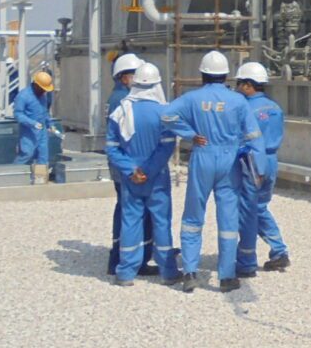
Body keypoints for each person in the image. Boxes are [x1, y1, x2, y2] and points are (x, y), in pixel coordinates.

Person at [161, 50, 261, 292]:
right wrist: (259, 169)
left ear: (202, 74)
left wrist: (189, 134)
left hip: (203, 155)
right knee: (228, 218)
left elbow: (166, 115)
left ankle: (190, 272)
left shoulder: (192, 98)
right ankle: (226, 276)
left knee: (193, 215)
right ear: (226, 75)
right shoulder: (238, 100)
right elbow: (253, 135)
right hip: (229, 160)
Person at [104, 62, 182, 287]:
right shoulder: (164, 113)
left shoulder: (121, 112)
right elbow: (167, 146)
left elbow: (112, 148)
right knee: (161, 221)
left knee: (130, 220)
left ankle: (125, 272)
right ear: (157, 85)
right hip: (156, 177)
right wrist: (148, 170)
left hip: (131, 177)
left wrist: (131, 170)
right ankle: (168, 271)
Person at [233, 61, 290, 273]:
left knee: (248, 209)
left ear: (248, 84)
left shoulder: (245, 108)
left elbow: (239, 137)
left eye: (239, 83)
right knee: (260, 207)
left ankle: (248, 257)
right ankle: (278, 250)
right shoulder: (275, 107)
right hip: (271, 160)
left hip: (252, 161)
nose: (237, 88)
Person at [105, 53, 156, 276]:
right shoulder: (122, 99)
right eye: (135, 75)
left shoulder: (118, 96)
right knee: (132, 212)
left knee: (125, 209)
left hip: (122, 163)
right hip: (126, 164)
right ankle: (128, 260)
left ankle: (120, 258)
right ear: (124, 77)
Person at [14, 72, 59, 176]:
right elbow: (18, 114)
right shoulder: (23, 96)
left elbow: (45, 112)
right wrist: (32, 123)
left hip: (42, 132)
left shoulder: (43, 96)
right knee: (26, 154)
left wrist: (50, 124)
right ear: (36, 85)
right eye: (42, 88)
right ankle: (14, 175)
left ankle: (40, 177)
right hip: (28, 132)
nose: (44, 91)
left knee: (43, 156)